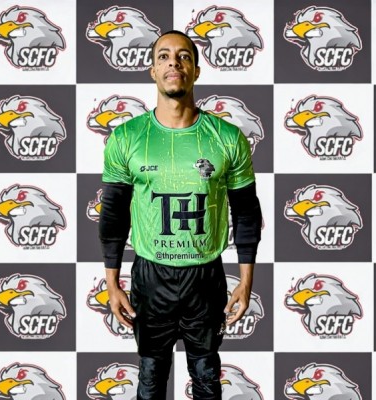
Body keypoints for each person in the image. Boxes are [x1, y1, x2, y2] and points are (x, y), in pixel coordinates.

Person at [99, 30, 262, 400]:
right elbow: (113, 216)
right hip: (150, 274)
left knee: (206, 377)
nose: (174, 62)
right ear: (153, 71)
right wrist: (111, 283)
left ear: (196, 70)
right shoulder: (126, 137)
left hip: (205, 275)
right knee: (150, 378)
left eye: (184, 56)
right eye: (164, 56)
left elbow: (246, 213)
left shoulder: (227, 137)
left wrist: (246, 280)